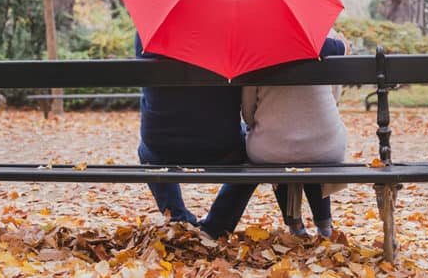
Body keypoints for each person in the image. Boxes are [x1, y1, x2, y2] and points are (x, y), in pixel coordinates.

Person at [135, 33, 346, 239]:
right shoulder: (231, 30)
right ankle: (216, 226)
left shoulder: (148, 32)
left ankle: (178, 218)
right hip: (219, 145)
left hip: (160, 144)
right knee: (249, 157)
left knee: (147, 152)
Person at [241, 30, 349, 238]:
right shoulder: (329, 39)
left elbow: (247, 112)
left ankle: (295, 225)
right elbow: (334, 98)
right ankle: (324, 224)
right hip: (326, 147)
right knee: (314, 147)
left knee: (278, 145)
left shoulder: (255, 44)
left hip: (270, 150)